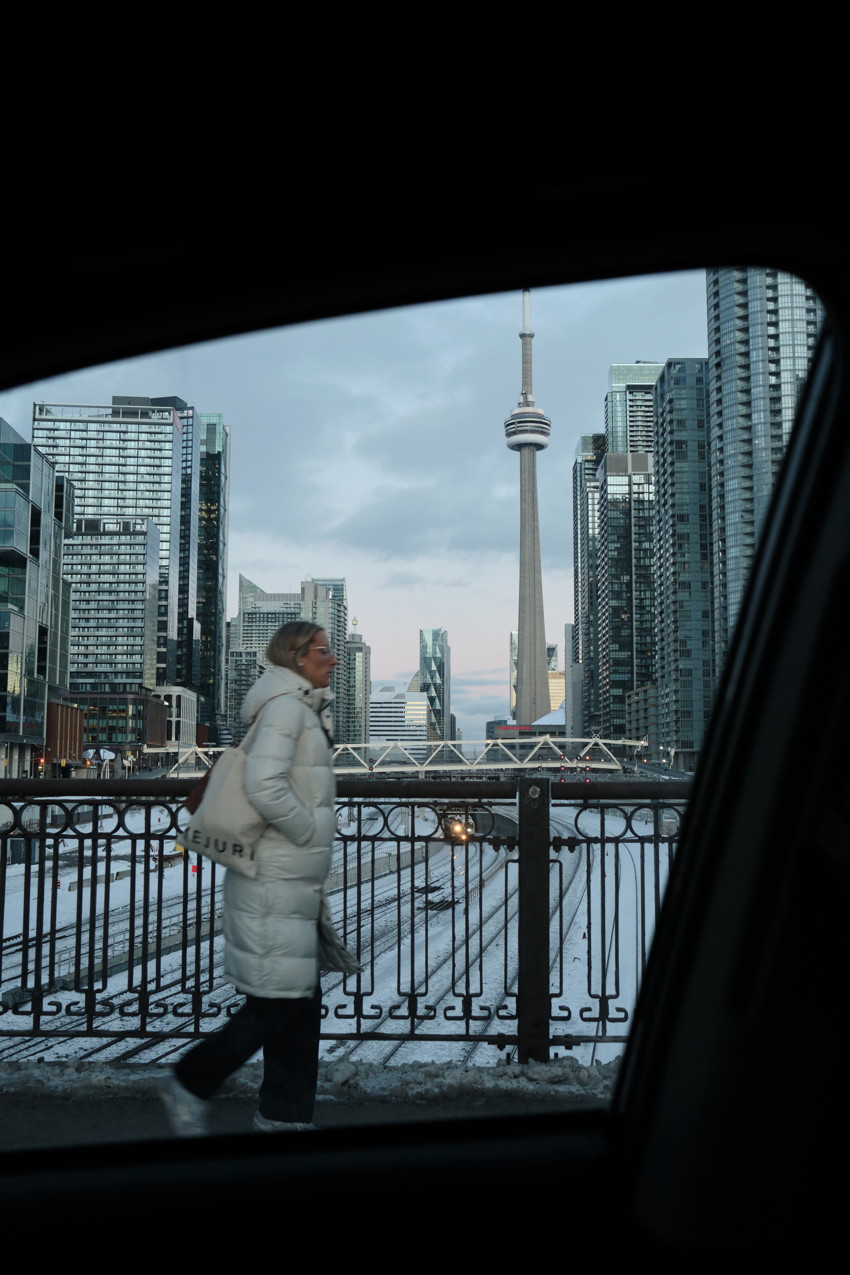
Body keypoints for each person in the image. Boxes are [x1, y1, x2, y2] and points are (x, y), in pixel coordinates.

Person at [160, 621, 337, 1135]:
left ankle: (284, 1117)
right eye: (324, 651)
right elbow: (265, 784)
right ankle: (190, 1082)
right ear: (298, 657)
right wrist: (306, 831)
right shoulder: (287, 710)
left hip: (285, 880)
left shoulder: (296, 708)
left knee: (295, 1006)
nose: (333, 659)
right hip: (274, 878)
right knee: (275, 1005)